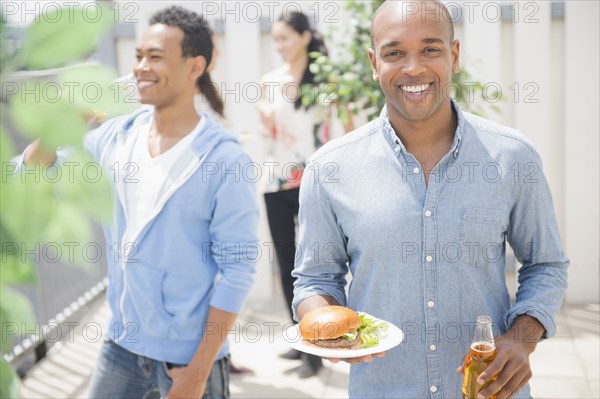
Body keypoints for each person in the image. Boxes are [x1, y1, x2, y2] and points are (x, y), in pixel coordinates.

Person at [292, 1, 569, 398]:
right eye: (394, 53)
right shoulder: (329, 168)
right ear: (374, 63)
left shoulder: (512, 157)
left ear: (453, 55)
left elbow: (546, 264)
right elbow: (316, 278)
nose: (413, 68)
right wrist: (321, 321)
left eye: (430, 49)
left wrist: (522, 338)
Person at [23, 6, 259, 398]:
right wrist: (68, 117)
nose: (141, 67)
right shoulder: (114, 138)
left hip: (188, 360)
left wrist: (198, 373)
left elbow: (237, 271)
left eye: (156, 57)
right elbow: (33, 171)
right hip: (121, 347)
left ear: (194, 66)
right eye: (138, 56)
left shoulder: (225, 160)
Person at [258, 11, 345, 379]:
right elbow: (269, 135)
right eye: (275, 39)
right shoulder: (269, 81)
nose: (279, 46)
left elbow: (342, 129)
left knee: (316, 266)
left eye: (285, 38)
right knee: (285, 262)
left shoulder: (325, 80)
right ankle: (300, 339)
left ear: (306, 36)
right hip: (276, 182)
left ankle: (319, 347)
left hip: (314, 181)